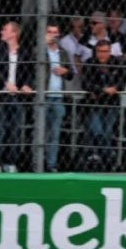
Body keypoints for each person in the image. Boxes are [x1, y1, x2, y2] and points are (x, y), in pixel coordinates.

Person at [0, 20, 34, 172]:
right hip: (1, 95)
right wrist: (5, 83)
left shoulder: (25, 52)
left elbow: (30, 72)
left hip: (17, 96)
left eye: (5, 30)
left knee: (15, 130)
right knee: (0, 130)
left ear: (14, 33)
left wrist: (26, 85)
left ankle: (11, 162)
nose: (2, 32)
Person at [81, 40, 126, 170]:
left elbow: (123, 83)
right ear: (96, 52)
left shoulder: (117, 63)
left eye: (106, 51)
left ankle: (101, 158)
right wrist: (102, 89)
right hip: (94, 103)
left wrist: (115, 88)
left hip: (111, 103)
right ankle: (108, 157)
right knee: (98, 131)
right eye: (100, 52)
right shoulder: (89, 63)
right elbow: (85, 84)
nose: (103, 55)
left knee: (107, 132)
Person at [43, 20, 73, 172]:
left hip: (58, 97)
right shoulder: (40, 50)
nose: (53, 35)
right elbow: (30, 62)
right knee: (40, 131)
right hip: (43, 97)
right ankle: (37, 163)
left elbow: (72, 74)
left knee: (55, 133)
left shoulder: (62, 52)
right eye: (50, 32)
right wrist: (43, 45)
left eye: (55, 32)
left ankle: (51, 164)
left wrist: (65, 71)